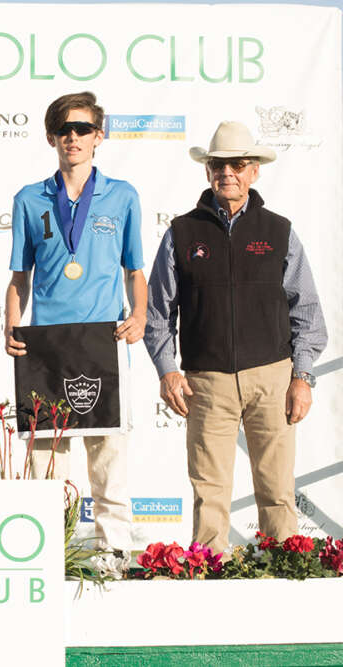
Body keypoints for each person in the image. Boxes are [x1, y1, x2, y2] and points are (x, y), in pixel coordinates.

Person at [144, 120, 327, 554]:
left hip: (273, 377)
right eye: (220, 164)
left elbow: (307, 311)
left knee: (278, 489)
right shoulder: (181, 232)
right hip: (207, 381)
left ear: (254, 171)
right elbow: (157, 313)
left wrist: (302, 377)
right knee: (209, 494)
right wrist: (169, 372)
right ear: (208, 170)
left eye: (238, 164)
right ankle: (208, 577)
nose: (229, 172)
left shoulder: (279, 230)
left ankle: (285, 568)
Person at [5, 92, 145, 553]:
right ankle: (53, 552)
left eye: (83, 128)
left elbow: (134, 271)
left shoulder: (123, 195)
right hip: (46, 346)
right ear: (51, 137)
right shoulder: (29, 198)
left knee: (108, 457)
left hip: (102, 341)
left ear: (98, 136)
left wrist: (140, 313)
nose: (73, 137)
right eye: (64, 129)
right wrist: (11, 325)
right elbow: (19, 278)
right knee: (48, 464)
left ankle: (116, 551)